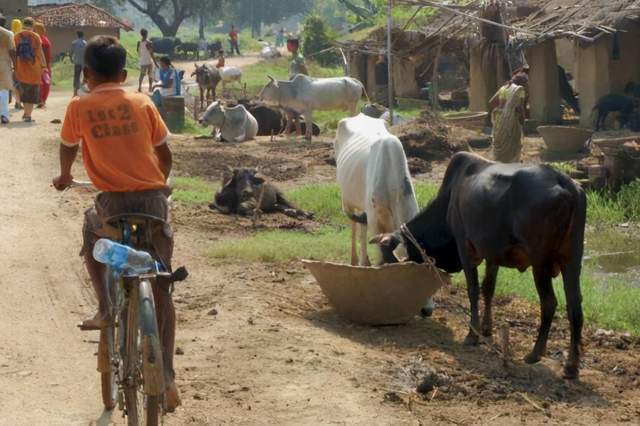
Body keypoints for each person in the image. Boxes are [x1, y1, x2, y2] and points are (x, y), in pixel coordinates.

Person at [52, 35, 180, 411]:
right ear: (124, 73)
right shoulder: (142, 102)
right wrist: (161, 182)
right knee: (161, 284)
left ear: (87, 74)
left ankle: (107, 307)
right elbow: (165, 154)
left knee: (91, 228)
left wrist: (63, 176)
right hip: (153, 204)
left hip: (112, 206)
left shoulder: (80, 105)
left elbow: (67, 146)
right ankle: (168, 378)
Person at [489, 73, 528, 163]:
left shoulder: (503, 88)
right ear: (522, 83)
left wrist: (501, 108)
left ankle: (499, 161)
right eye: (526, 83)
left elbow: (491, 102)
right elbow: (520, 108)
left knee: (500, 140)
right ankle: (512, 163)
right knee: (513, 142)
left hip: (499, 119)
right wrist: (522, 119)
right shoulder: (519, 89)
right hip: (511, 119)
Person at [14, 17, 45, 123]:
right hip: (34, 68)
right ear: (33, 26)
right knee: (32, 92)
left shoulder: (17, 36)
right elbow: (40, 53)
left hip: (21, 68)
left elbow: (14, 52)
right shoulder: (36, 36)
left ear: (23, 24)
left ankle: (25, 112)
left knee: (23, 91)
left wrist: (14, 66)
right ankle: (28, 115)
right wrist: (43, 66)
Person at [0, 14, 15, 124]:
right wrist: (15, 65)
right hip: (4, 64)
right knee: (4, 90)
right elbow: (12, 51)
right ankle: (4, 115)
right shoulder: (8, 34)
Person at [33, 22, 51, 108]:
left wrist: (46, 65)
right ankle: (41, 100)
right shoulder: (43, 39)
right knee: (43, 83)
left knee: (43, 83)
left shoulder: (43, 41)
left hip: (42, 65)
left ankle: (41, 100)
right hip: (39, 64)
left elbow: (47, 55)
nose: (33, 30)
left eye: (35, 29)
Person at [71, 31, 86, 97]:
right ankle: (83, 90)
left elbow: (71, 52)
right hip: (84, 63)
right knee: (85, 77)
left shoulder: (74, 43)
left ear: (77, 35)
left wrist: (71, 59)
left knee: (76, 77)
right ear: (83, 35)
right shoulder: (85, 43)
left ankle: (75, 92)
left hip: (77, 62)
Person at [10, 18, 21, 109]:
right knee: (19, 83)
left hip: (9, 63)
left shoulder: (9, 35)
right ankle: (18, 102)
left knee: (12, 84)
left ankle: (16, 102)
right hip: (20, 63)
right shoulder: (21, 36)